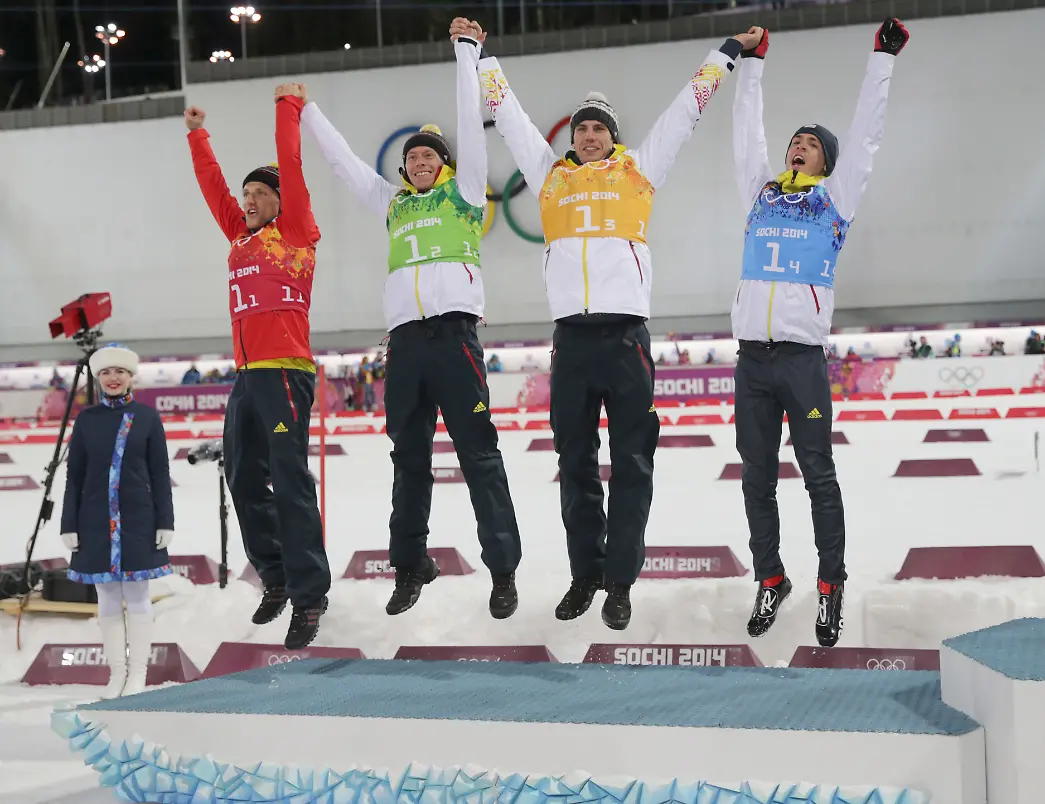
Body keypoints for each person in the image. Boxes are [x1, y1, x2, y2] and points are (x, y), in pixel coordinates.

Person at [475, 18, 749, 630]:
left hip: (627, 340)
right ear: (570, 139)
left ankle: (620, 580)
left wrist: (726, 55)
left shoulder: (639, 170)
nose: (590, 135)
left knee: (632, 464)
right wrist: (480, 58)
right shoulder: (551, 176)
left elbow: (686, 112)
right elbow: (511, 117)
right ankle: (585, 574)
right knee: (574, 465)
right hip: (571, 341)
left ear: (614, 136)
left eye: (599, 127)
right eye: (582, 128)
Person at [299, 19, 522, 619]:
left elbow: (471, 130)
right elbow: (346, 167)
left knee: (479, 455)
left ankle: (502, 570)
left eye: (428, 155)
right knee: (409, 459)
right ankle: (409, 565)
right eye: (412, 157)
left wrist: (465, 54)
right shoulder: (392, 203)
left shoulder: (466, 193)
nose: (419, 161)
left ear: (444, 163)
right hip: (405, 345)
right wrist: (308, 111)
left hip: (454, 337)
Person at [730, 18, 909, 646]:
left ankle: (830, 584)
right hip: (752, 360)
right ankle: (771, 577)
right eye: (794, 140)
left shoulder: (836, 200)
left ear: (828, 161)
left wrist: (880, 61)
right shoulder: (758, 192)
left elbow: (866, 136)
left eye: (810, 142)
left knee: (817, 474)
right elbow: (744, 131)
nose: (796, 145)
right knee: (755, 477)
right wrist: (752, 67)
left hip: (802, 360)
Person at [185, 83, 332, 649]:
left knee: (290, 482)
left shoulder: (295, 233)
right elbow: (212, 190)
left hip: (285, 373)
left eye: (258, 193)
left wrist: (286, 108)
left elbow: (291, 166)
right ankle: (275, 576)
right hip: (247, 376)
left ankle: (310, 594)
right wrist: (198, 135)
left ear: (280, 201)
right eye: (245, 193)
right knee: (243, 475)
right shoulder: (239, 239)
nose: (247, 200)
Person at [61, 344, 173, 699]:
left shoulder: (147, 418)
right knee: (107, 601)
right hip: (94, 520)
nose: (113, 378)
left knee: (138, 598)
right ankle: (117, 675)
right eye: (106, 372)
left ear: (130, 377)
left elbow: (160, 473)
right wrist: (69, 523)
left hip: (139, 519)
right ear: (97, 377)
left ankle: (138, 675)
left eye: (120, 372)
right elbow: (74, 476)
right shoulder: (86, 421)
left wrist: (164, 520)